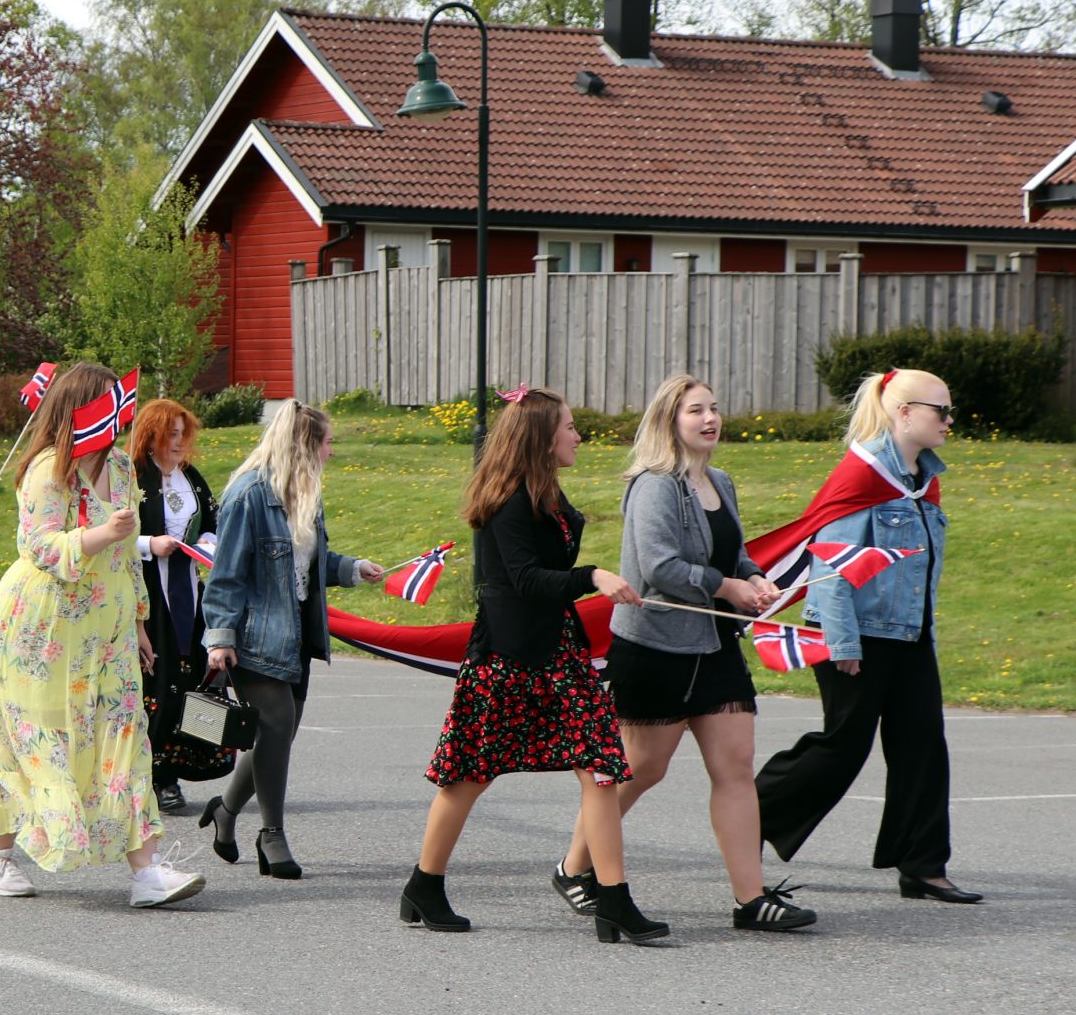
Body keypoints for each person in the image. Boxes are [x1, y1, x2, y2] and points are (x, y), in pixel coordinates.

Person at [398, 389, 667, 943]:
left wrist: (586, 580)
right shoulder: (509, 500)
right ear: (542, 438)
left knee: (601, 767)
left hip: (560, 655)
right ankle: (424, 886)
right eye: (568, 426)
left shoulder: (547, 491)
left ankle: (614, 900)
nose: (577, 436)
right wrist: (592, 576)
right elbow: (523, 579)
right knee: (469, 776)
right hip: (508, 658)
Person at [0, 361, 205, 908]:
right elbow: (37, 546)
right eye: (108, 401)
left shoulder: (123, 468)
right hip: (42, 627)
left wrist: (139, 621)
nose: (119, 411)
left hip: (107, 629)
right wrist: (99, 533)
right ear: (80, 409)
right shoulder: (47, 469)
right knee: (29, 736)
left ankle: (147, 873)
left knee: (126, 737)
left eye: (120, 401)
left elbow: (128, 554)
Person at [557, 375, 815, 932]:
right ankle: (574, 867)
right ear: (669, 420)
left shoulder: (719, 480)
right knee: (643, 768)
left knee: (735, 767)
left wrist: (755, 578)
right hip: (656, 648)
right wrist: (728, 587)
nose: (709, 418)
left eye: (714, 408)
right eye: (695, 410)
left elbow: (734, 552)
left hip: (715, 647)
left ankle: (751, 899)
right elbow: (659, 567)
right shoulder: (654, 485)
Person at [755, 369, 978, 902]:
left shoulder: (923, 480)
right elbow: (831, 567)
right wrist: (844, 645)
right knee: (843, 746)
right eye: (941, 411)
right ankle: (744, 817)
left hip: (908, 636)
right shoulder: (863, 474)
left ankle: (922, 865)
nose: (950, 421)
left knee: (923, 747)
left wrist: (925, 635)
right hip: (854, 634)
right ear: (904, 413)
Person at [199, 401, 383, 879]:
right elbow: (225, 575)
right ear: (304, 444)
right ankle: (272, 835)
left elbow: (311, 560)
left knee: (277, 735)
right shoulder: (247, 495)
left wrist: (353, 568)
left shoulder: (304, 492)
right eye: (327, 442)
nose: (332, 452)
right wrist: (220, 637)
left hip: (296, 633)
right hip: (253, 635)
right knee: (277, 725)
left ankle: (225, 811)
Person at [130, 399, 227, 814]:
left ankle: (189, 765)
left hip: (189, 589)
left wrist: (206, 542)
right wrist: (149, 544)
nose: (178, 443)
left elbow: (214, 522)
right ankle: (154, 776)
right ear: (150, 435)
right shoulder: (132, 477)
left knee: (196, 675)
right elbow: (107, 531)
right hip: (148, 592)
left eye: (182, 435)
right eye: (170, 435)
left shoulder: (192, 477)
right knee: (157, 680)